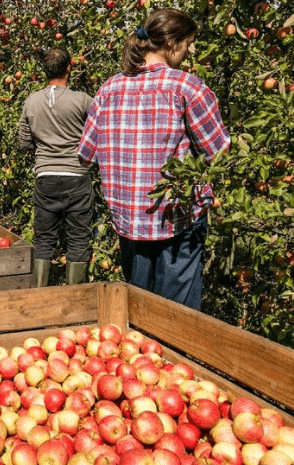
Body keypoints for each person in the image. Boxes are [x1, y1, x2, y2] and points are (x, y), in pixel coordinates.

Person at [77, 8, 230, 310]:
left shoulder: (109, 89)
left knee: (138, 313)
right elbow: (220, 154)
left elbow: (85, 156)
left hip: (129, 222)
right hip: (177, 220)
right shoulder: (188, 87)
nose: (188, 53)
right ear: (173, 44)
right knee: (177, 318)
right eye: (188, 44)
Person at [17, 48, 95, 287]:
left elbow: (23, 141)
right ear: (69, 68)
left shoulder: (31, 101)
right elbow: (99, 131)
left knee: (44, 239)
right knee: (79, 239)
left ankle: (41, 296)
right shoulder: (82, 100)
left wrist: (44, 150)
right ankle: (74, 300)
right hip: (76, 176)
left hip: (46, 177)